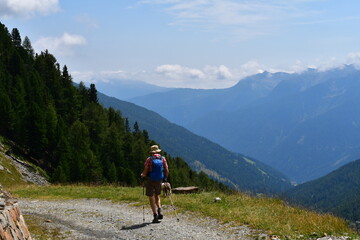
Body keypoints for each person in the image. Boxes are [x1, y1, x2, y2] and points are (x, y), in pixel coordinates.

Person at [141, 145, 169, 223]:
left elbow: (146, 171)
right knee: (157, 195)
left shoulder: (149, 159)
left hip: (151, 179)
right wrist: (165, 178)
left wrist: (142, 175)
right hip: (159, 179)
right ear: (158, 151)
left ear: (152, 152)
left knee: (151, 197)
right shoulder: (163, 158)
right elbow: (166, 169)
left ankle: (155, 215)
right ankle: (159, 209)